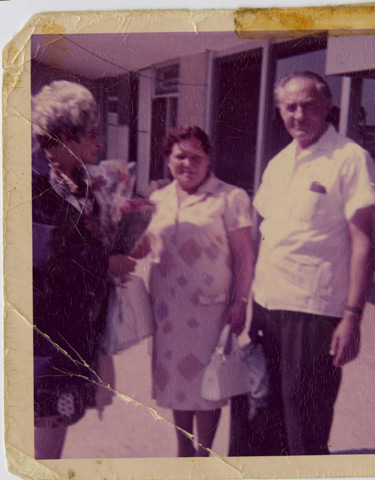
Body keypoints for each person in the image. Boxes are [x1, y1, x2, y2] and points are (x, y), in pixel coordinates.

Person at [231, 71, 375, 456]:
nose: (298, 114)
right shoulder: (278, 164)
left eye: (308, 106)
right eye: (290, 107)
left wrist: (352, 315)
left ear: (326, 106)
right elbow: (263, 237)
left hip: (313, 313)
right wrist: (243, 300)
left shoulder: (350, 159)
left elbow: (362, 242)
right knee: (261, 416)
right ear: (279, 110)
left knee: (306, 424)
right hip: (266, 308)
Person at [135, 126, 255, 456]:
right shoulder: (157, 199)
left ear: (208, 159)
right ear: (168, 160)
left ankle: (204, 456)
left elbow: (245, 254)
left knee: (207, 386)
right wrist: (119, 225)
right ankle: (183, 452)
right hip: (168, 313)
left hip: (210, 312)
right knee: (176, 385)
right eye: (180, 156)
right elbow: (141, 249)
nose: (188, 163)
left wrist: (240, 301)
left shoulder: (231, 197)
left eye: (196, 157)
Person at [31, 80, 135, 459]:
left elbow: (84, 243)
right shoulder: (31, 179)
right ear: (66, 134)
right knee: (43, 434)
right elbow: (43, 253)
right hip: (43, 336)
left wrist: (122, 244)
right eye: (91, 133)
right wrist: (105, 263)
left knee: (57, 430)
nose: (100, 142)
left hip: (74, 332)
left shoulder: (79, 181)